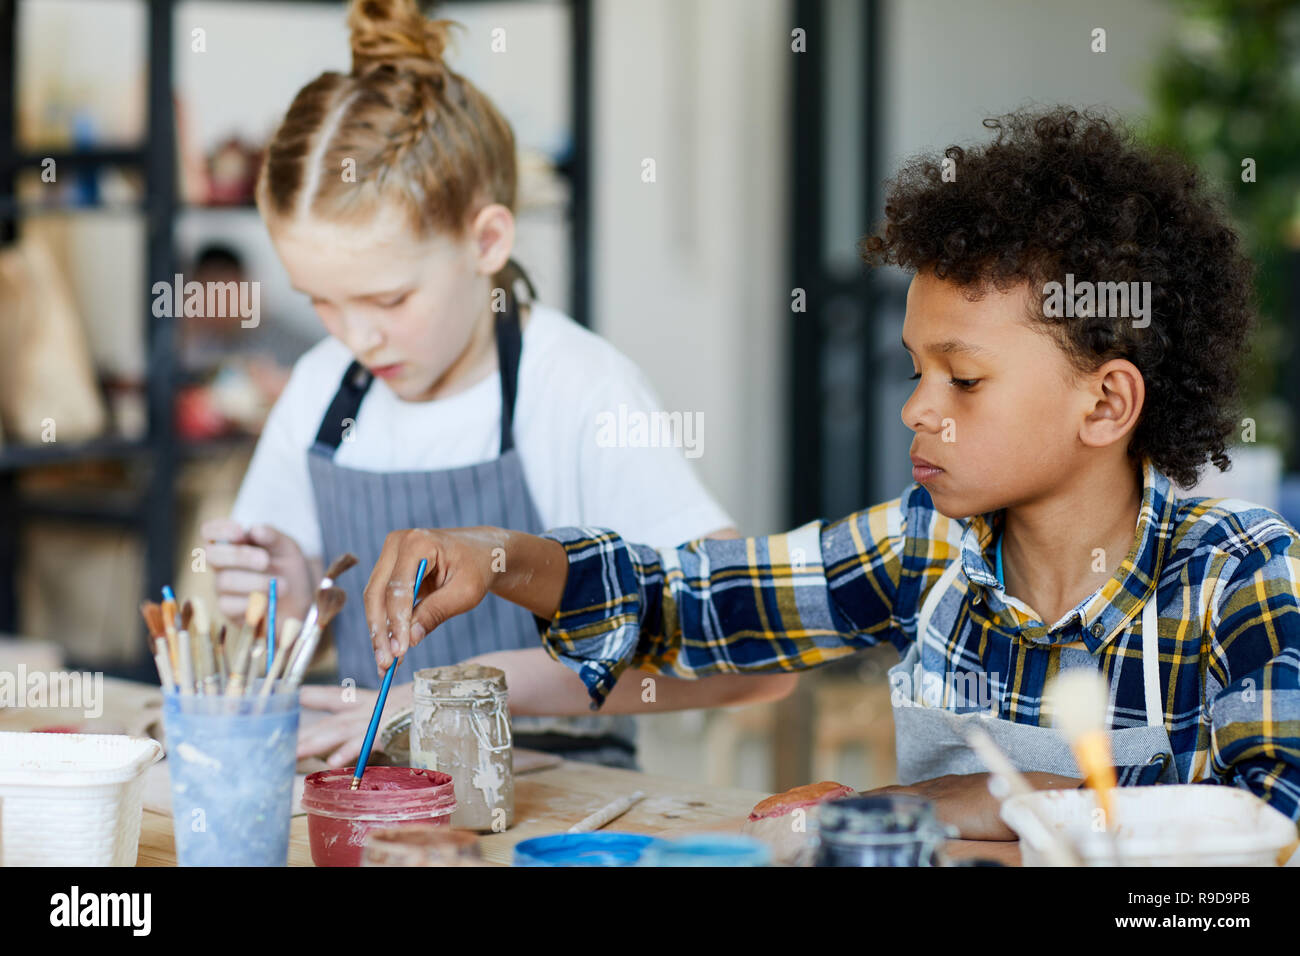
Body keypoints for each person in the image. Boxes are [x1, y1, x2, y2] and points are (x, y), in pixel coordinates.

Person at [361, 108, 1300, 863]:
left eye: (963, 380)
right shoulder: (923, 546)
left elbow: (1270, 824)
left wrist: (960, 801)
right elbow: (686, 606)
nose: (916, 411)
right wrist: (497, 556)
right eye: (914, 371)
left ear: (1105, 404)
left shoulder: (1240, 576)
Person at [202, 0, 793, 771]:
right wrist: (295, 604)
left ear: (487, 240)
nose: (356, 337)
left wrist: (465, 689)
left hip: (559, 803)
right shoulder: (320, 391)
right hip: (371, 796)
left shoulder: (579, 390)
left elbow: (753, 660)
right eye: (320, 299)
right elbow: (264, 645)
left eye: (388, 299)